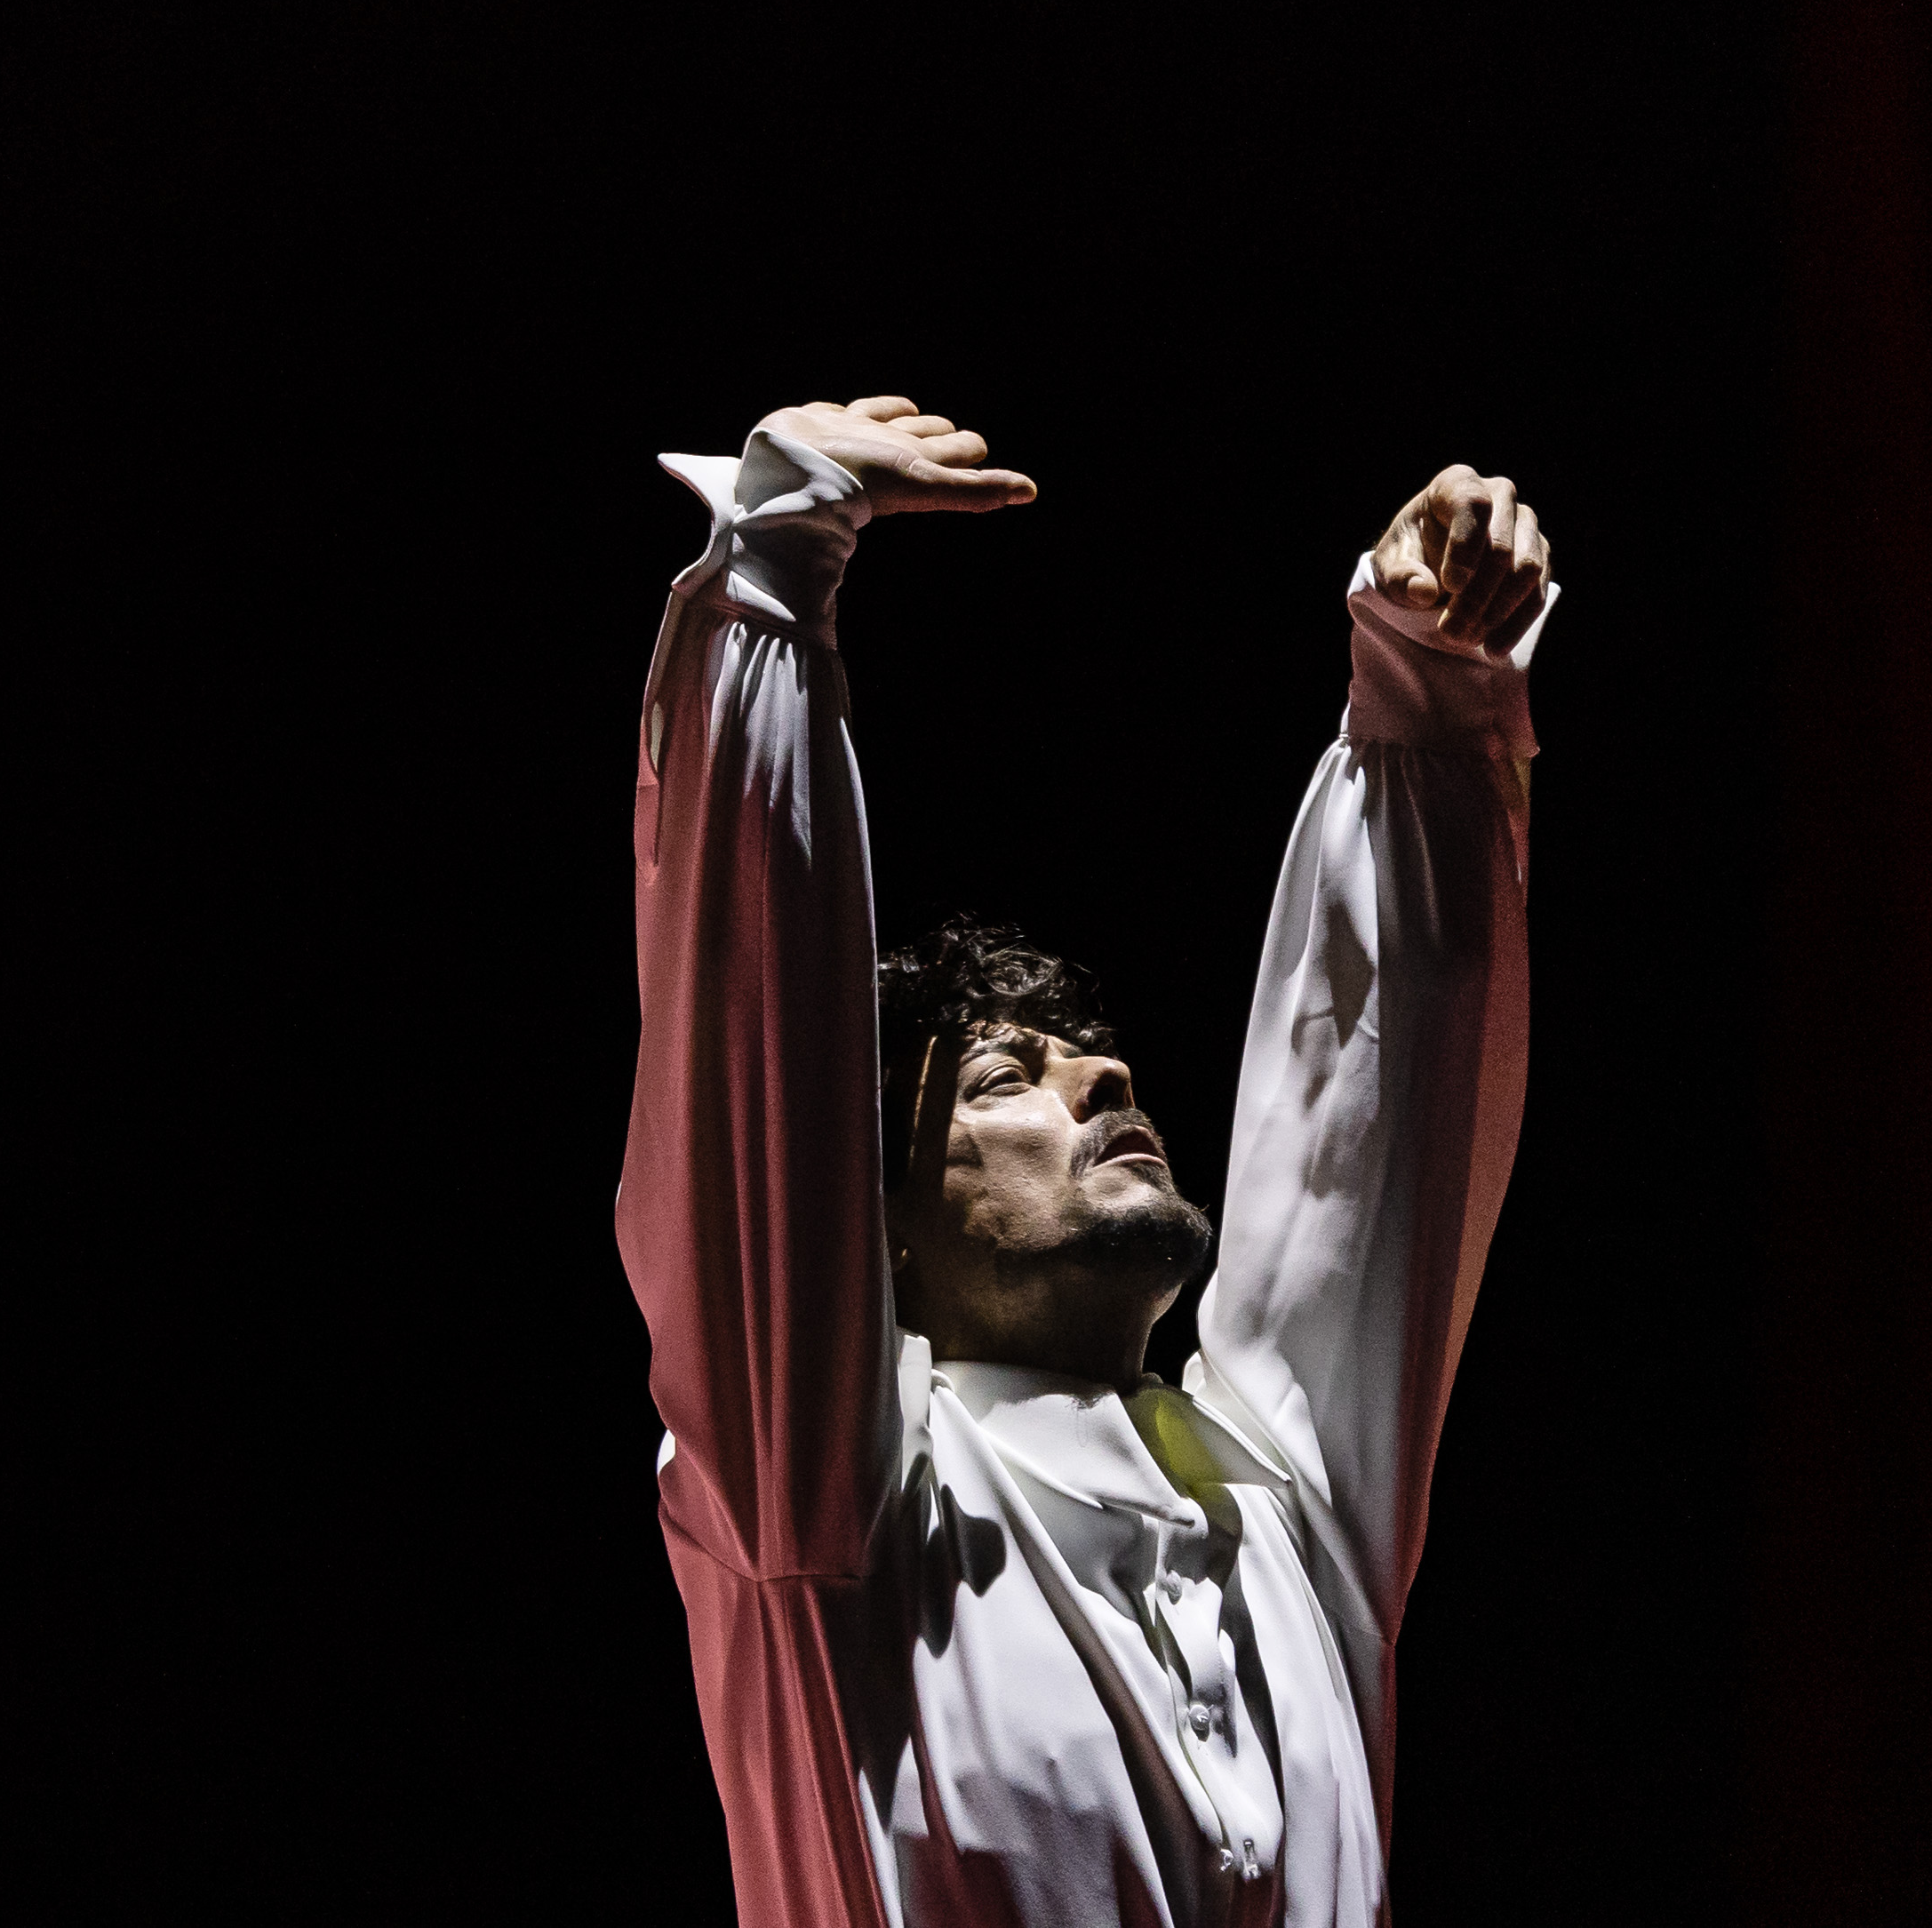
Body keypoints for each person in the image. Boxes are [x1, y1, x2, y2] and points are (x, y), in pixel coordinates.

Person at [619, 396, 1554, 1926]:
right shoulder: (842, 1521)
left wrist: (1429, 681)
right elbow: (749, 1086)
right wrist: (776, 573)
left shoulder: (1278, 1503)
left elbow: (1373, 1121)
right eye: (1007, 1077)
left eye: (1088, 1056)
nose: (1103, 1074)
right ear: (885, 1236)